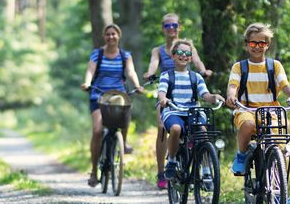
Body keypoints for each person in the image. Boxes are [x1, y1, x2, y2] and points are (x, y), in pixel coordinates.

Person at [223, 23, 290, 204]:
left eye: (262, 43)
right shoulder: (239, 67)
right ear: (246, 45)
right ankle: (242, 155)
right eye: (253, 44)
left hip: (270, 111)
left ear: (267, 45)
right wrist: (231, 96)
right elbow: (233, 86)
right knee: (248, 125)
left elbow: (284, 85)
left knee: (279, 146)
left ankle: (280, 192)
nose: (257, 47)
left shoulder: (274, 66)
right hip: (247, 109)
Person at [143, 13, 210, 190]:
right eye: (167, 26)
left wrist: (203, 71)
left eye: (174, 25)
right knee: (161, 127)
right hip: (167, 99)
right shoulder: (158, 50)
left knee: (199, 127)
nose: (171, 28)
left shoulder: (188, 47)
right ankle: (161, 171)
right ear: (163, 28)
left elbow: (197, 62)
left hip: (187, 99)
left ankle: (197, 161)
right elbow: (153, 64)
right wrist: (150, 73)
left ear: (179, 26)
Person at [82, 23, 145, 187]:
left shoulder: (125, 56)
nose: (111, 37)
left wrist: (137, 85)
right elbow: (90, 70)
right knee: (97, 130)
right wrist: (87, 83)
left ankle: (122, 143)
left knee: (124, 112)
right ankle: (94, 171)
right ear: (104, 37)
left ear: (119, 36)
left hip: (118, 95)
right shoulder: (98, 54)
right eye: (108, 34)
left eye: (114, 34)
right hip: (99, 95)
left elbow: (130, 72)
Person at [159, 39, 222, 180]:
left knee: (203, 133)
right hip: (173, 111)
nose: (184, 55)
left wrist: (214, 97)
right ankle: (172, 161)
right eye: (180, 52)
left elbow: (205, 95)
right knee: (176, 129)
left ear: (191, 57)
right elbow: (162, 92)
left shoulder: (196, 77)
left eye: (188, 53)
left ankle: (206, 169)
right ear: (173, 55)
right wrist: (163, 99)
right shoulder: (167, 76)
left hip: (193, 112)